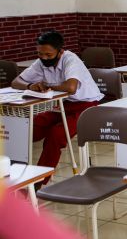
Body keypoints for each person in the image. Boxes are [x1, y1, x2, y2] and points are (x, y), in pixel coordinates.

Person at [11, 31, 103, 183]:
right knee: (28, 129)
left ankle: (38, 182)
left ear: (60, 52)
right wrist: (30, 85)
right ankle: (13, 175)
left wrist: (48, 86)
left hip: (87, 106)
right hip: (62, 105)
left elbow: (71, 87)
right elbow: (16, 82)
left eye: (48, 55)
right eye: (40, 54)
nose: (44, 58)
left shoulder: (71, 60)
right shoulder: (41, 61)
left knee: (56, 135)